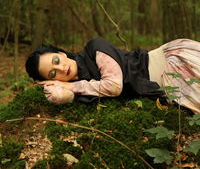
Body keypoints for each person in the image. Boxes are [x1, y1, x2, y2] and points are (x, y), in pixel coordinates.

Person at [25, 37, 200, 114]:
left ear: (61, 53)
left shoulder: (94, 48)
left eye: (56, 60)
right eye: (53, 73)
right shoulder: (82, 85)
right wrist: (60, 90)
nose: (61, 68)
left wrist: (70, 86)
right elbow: (62, 95)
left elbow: (114, 86)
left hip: (171, 63)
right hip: (166, 80)